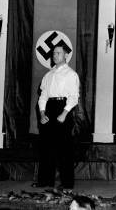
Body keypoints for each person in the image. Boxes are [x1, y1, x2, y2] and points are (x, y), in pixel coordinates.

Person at [34, 41, 80, 189]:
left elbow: (74, 97)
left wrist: (64, 113)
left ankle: (67, 184)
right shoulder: (48, 75)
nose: (55, 55)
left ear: (66, 55)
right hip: (49, 109)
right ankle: (45, 181)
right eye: (54, 53)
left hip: (63, 108)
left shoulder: (71, 74)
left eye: (58, 53)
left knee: (64, 149)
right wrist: (42, 113)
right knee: (46, 147)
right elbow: (43, 96)